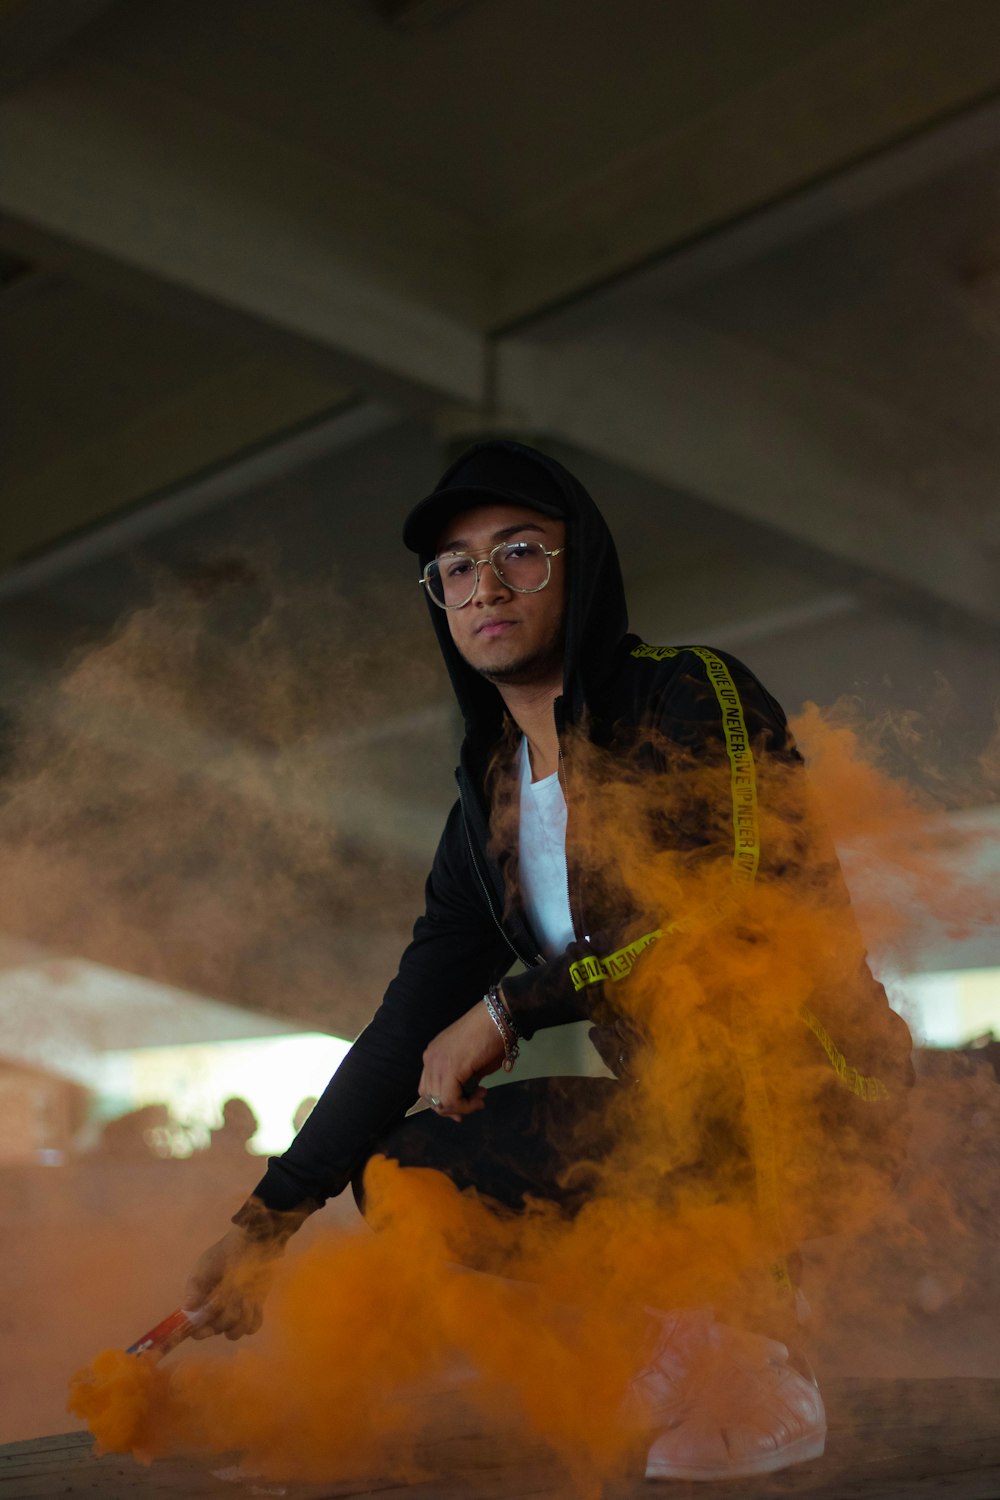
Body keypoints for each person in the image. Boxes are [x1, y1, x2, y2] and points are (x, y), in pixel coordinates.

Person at [183, 440, 913, 1481]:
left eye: (522, 552)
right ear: (438, 598)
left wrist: (512, 1004)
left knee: (717, 1023)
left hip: (816, 1101)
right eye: (458, 568)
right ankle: (683, 1323)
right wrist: (267, 1219)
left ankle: (765, 1363)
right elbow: (404, 1028)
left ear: (581, 567)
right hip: (672, 1125)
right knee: (406, 1167)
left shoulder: (686, 697)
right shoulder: (486, 809)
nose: (487, 586)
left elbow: (726, 914)